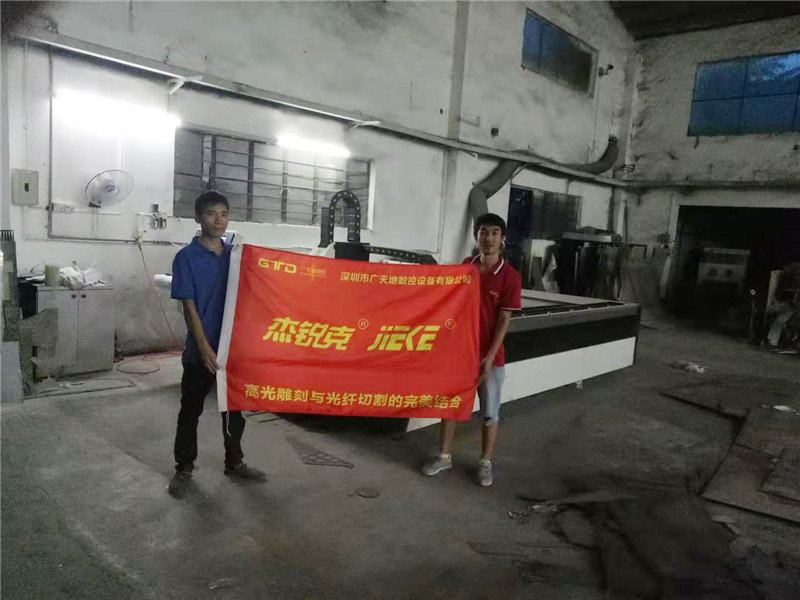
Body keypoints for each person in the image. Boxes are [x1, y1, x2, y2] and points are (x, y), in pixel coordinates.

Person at [168, 190, 265, 498]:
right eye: (211, 213)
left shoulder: (236, 257)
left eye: (224, 214)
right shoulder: (186, 258)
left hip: (233, 350)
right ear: (198, 218)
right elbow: (189, 307)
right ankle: (184, 468)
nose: (219, 220)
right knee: (190, 410)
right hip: (201, 351)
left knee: (233, 412)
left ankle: (234, 463)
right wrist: (204, 348)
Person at [421, 213, 521, 487]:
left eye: (495, 233)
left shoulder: (510, 276)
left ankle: (485, 462)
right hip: (460, 355)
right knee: (451, 406)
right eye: (483, 232)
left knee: (489, 413)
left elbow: (504, 319)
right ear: (476, 236)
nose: (489, 238)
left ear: (502, 238)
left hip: (490, 357)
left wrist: (489, 358)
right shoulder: (466, 267)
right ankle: (444, 456)